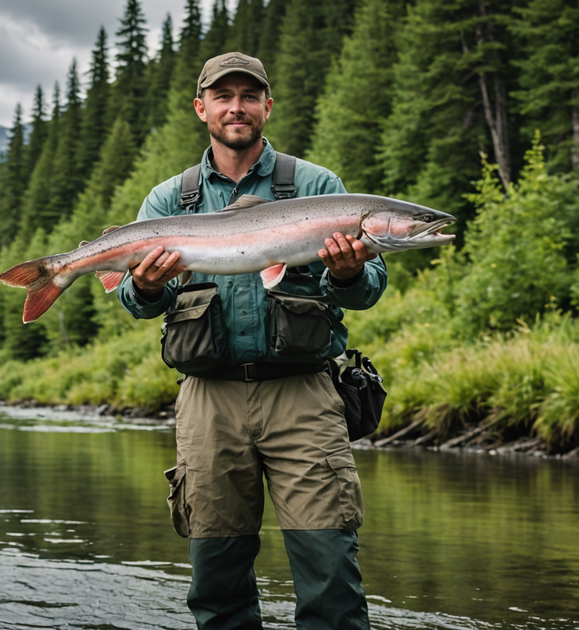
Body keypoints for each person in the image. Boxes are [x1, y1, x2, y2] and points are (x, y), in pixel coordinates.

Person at [117, 52, 387, 630]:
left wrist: (345, 272)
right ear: (202, 108)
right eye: (223, 96)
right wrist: (142, 285)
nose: (235, 107)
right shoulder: (170, 199)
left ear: (268, 105)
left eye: (248, 96)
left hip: (305, 396)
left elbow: (367, 291)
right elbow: (136, 304)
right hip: (207, 401)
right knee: (216, 574)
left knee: (330, 564)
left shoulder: (316, 187)